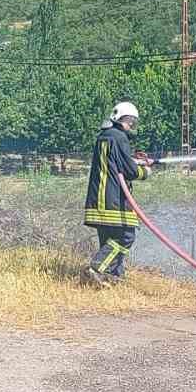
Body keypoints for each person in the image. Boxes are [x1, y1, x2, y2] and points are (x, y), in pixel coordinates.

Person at [83, 102, 153, 285]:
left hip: (98, 199)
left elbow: (115, 162)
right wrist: (144, 172)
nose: (132, 127)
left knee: (109, 239)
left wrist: (134, 160)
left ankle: (114, 277)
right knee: (125, 236)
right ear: (121, 119)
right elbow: (128, 171)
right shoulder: (119, 137)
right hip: (113, 199)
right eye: (130, 122)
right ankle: (97, 267)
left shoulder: (104, 137)